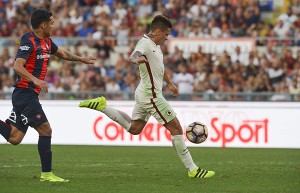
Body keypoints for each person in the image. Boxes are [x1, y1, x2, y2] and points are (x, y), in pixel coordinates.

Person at [79, 15, 215, 179]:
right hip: (151, 96)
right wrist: (137, 59)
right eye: (166, 34)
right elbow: (133, 55)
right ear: (157, 31)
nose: (167, 37)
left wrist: (170, 84)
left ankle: (102, 106)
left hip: (145, 92)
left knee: (134, 129)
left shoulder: (156, 46)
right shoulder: (144, 43)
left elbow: (160, 68)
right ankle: (193, 170)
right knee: (177, 129)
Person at [0, 9, 95, 182]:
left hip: (28, 95)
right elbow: (17, 66)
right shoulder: (28, 41)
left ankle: (46, 174)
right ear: (43, 25)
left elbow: (64, 54)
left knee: (15, 138)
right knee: (46, 129)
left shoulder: (47, 42)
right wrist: (35, 79)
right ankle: (46, 174)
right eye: (51, 23)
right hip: (24, 94)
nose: (53, 25)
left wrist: (81, 59)